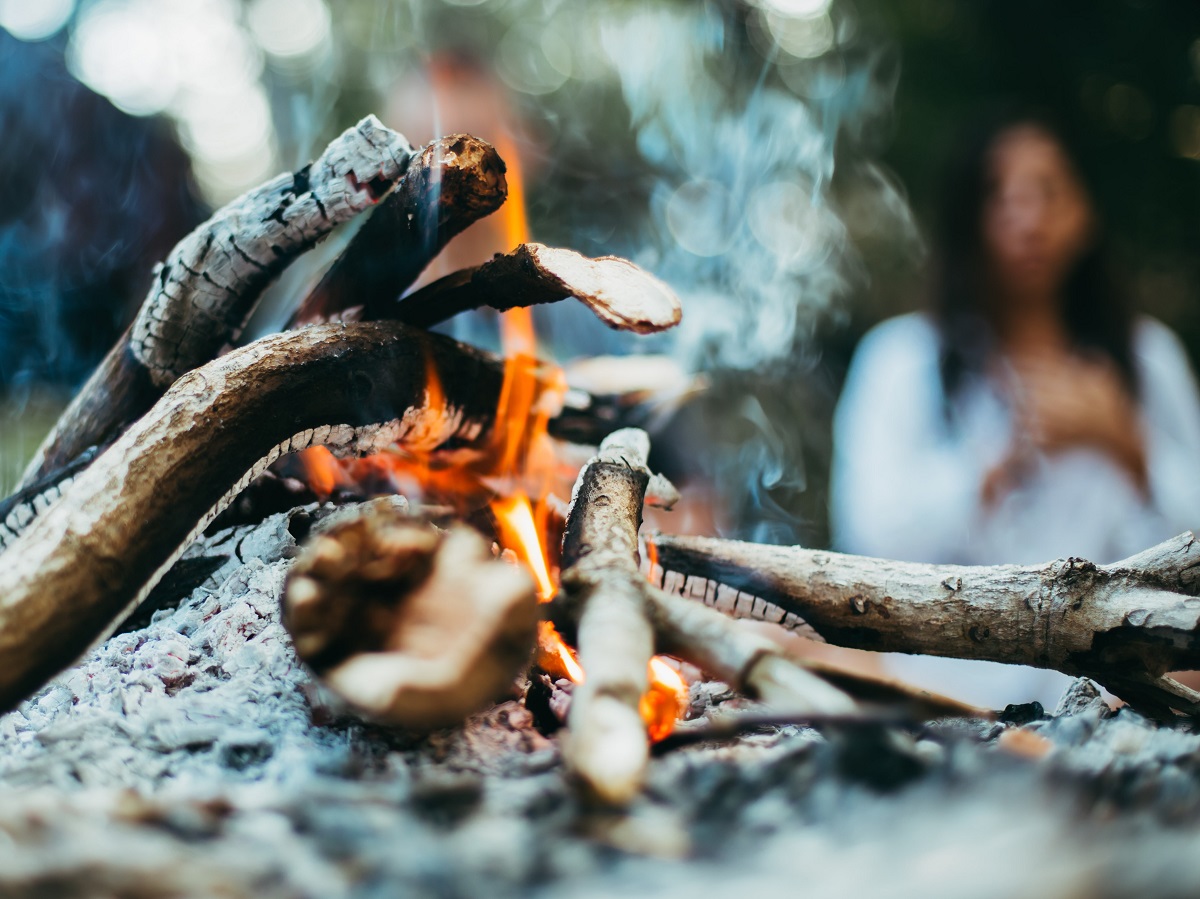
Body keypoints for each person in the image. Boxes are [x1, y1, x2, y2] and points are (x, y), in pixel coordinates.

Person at [829, 108, 1200, 707]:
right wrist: (994, 468)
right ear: (966, 221)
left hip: (1123, 691)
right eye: (999, 196)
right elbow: (866, 534)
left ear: (1085, 211)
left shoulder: (1146, 359)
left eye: (1049, 191)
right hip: (943, 688)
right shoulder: (900, 360)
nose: (1028, 218)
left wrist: (1127, 445)